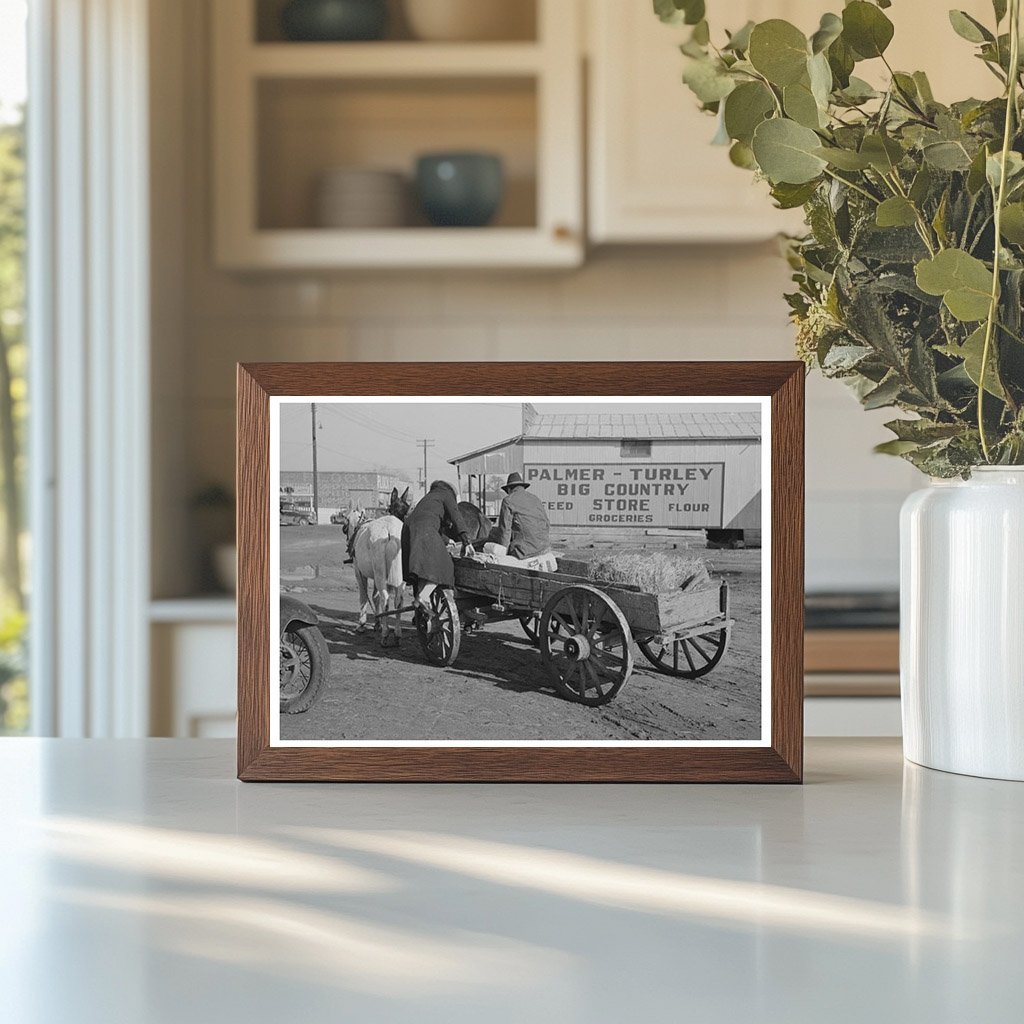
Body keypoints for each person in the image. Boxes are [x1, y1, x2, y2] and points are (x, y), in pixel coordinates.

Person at [401, 480, 473, 611]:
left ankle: (422, 599)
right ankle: (423, 596)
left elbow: (428, 519)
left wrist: (447, 540)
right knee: (444, 566)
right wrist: (466, 541)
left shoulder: (429, 497)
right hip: (424, 528)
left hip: (408, 529)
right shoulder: (447, 495)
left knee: (423, 568)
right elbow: (457, 517)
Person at [488, 472, 551, 559]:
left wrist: (502, 553)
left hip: (524, 551)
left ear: (509, 489)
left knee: (491, 539)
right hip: (544, 547)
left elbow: (505, 530)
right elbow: (547, 523)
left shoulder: (508, 500)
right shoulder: (535, 499)